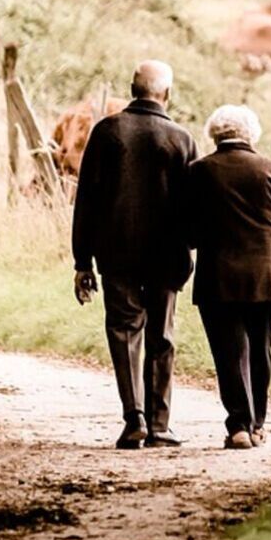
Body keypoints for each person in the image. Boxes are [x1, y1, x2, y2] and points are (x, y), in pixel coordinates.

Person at [71, 61, 199, 450]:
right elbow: (193, 205)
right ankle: (161, 426)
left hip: (116, 252)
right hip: (167, 255)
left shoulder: (107, 132)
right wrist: (190, 247)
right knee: (161, 335)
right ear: (167, 95)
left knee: (125, 332)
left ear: (132, 88)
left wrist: (82, 261)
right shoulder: (181, 139)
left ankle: (134, 419)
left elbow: (86, 201)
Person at [185, 104, 271, 450]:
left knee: (229, 353)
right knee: (261, 350)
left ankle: (239, 425)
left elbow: (189, 232)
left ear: (215, 133)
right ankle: (257, 425)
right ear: (251, 134)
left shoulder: (199, 171)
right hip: (269, 277)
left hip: (218, 278)